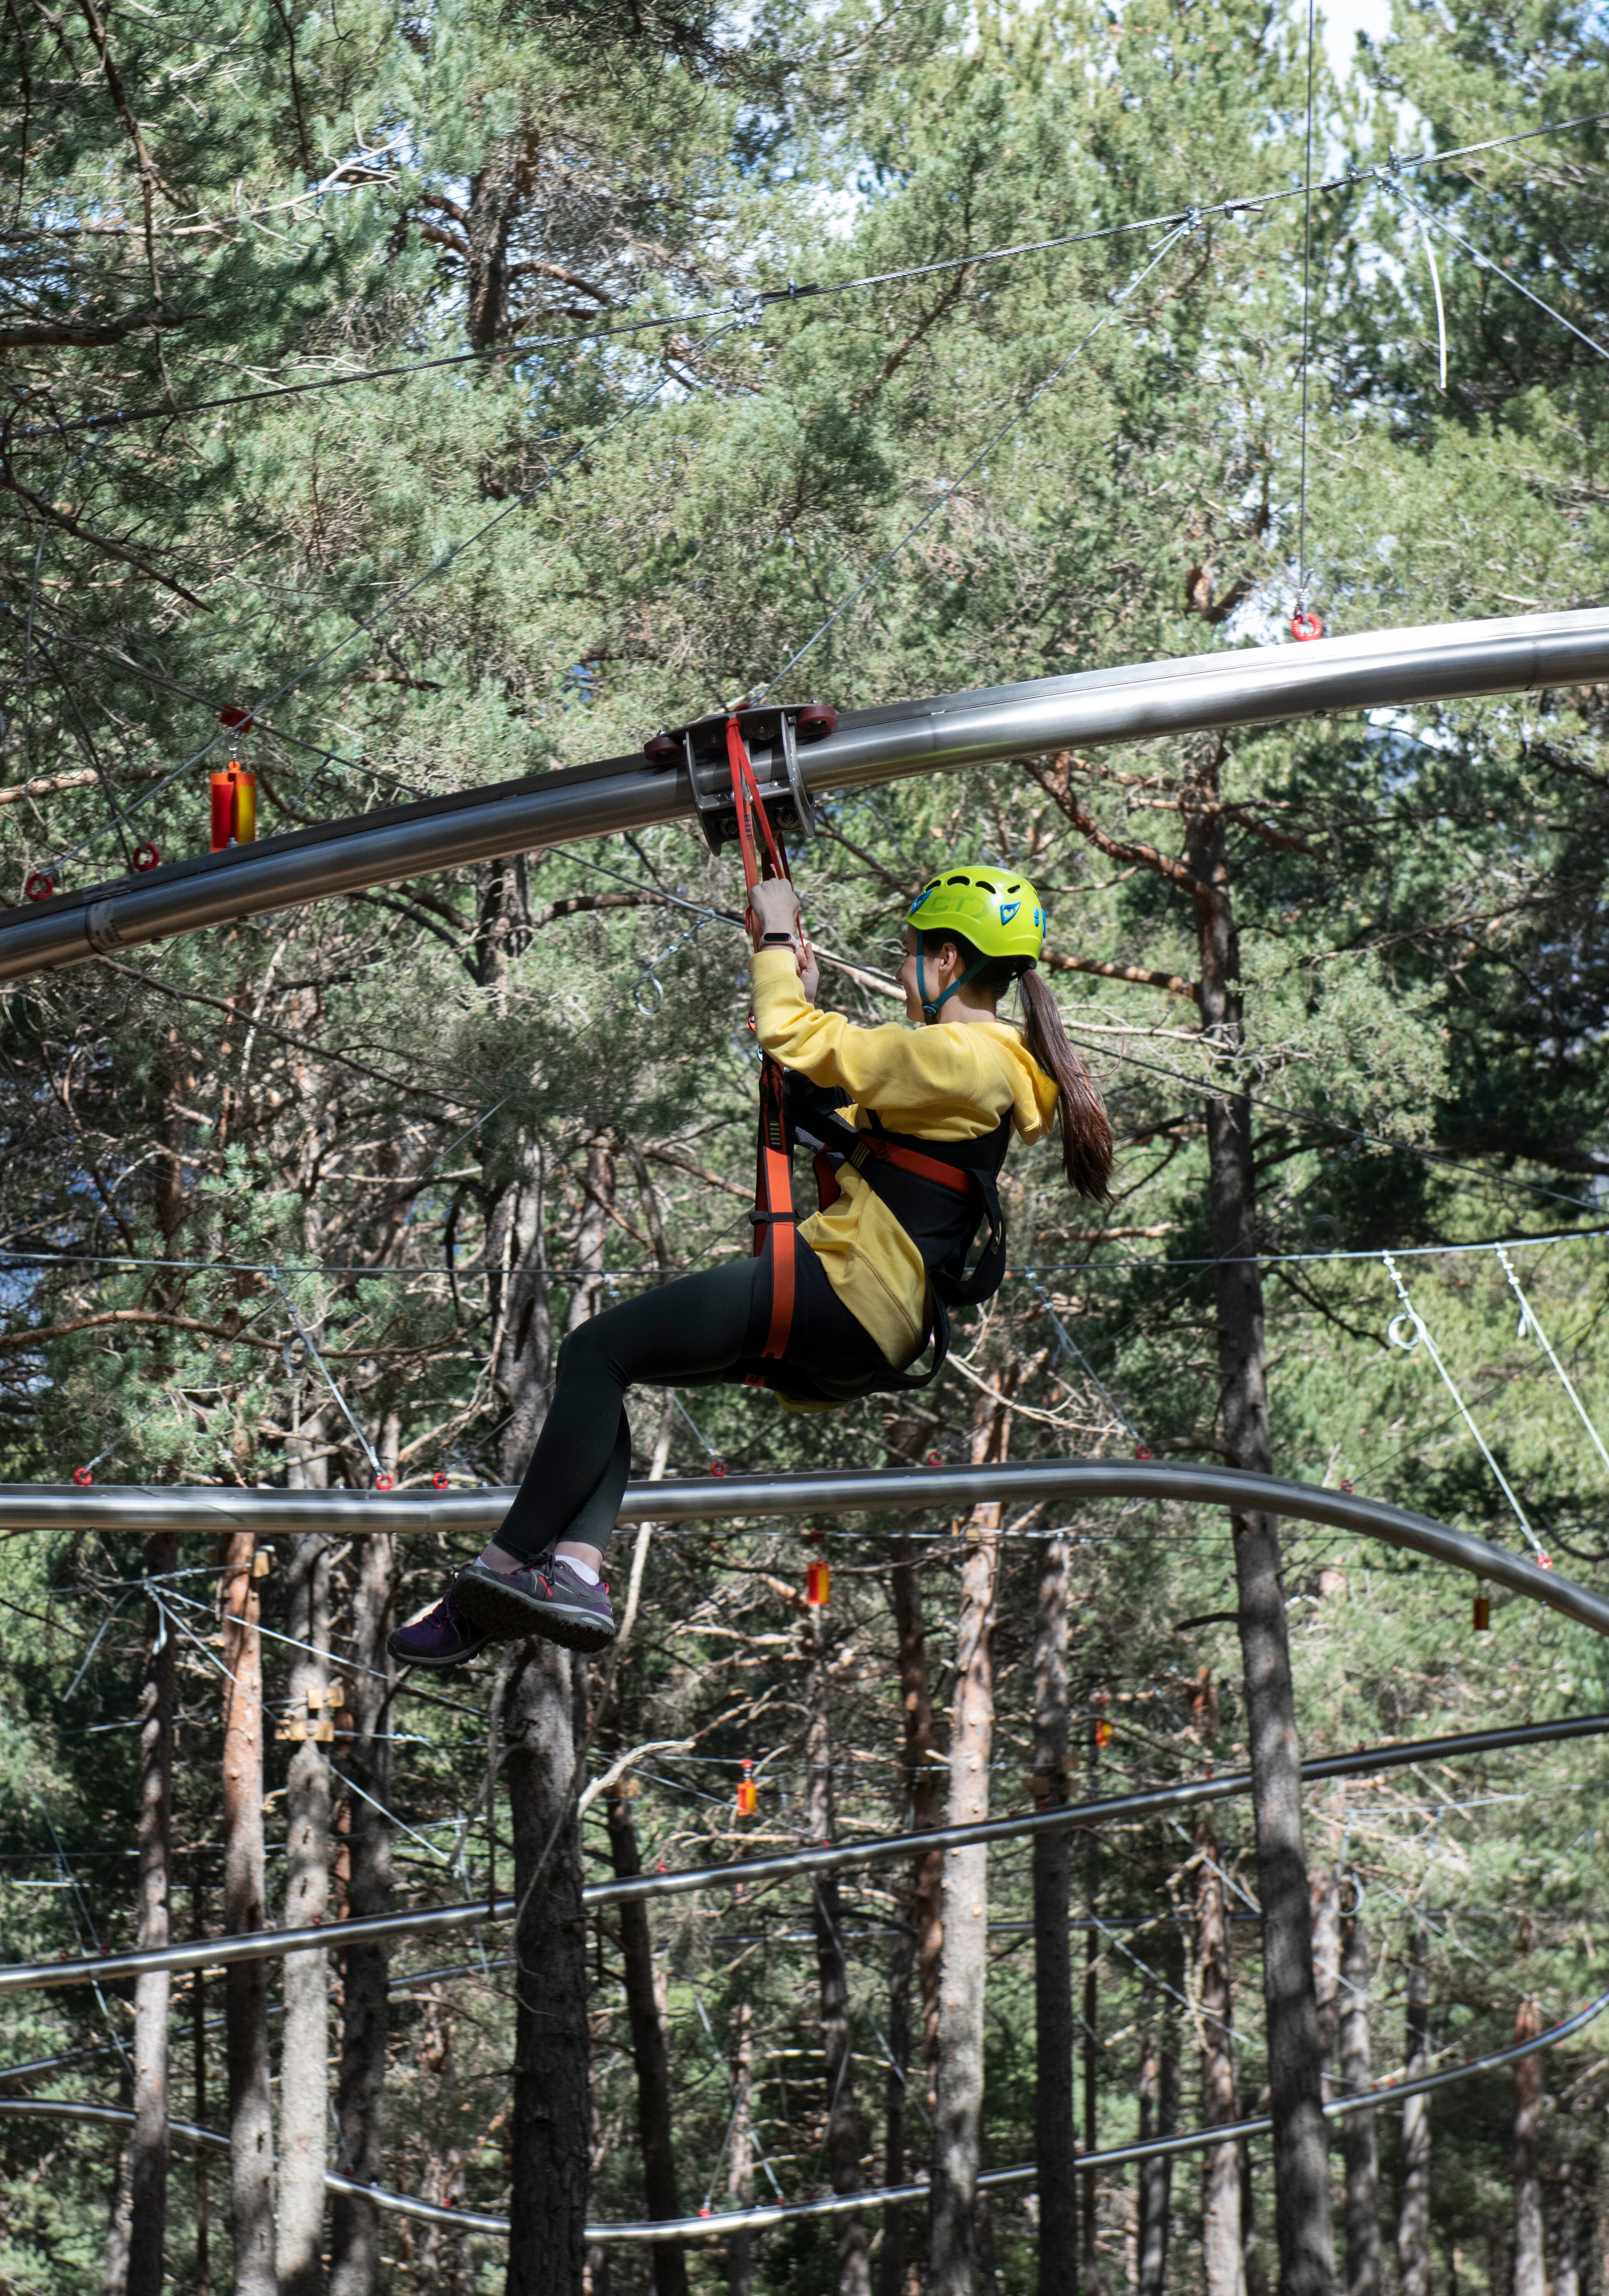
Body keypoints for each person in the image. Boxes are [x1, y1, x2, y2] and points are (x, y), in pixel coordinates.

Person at [390, 862, 1114, 1668]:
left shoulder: (964, 1055)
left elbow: (797, 1037)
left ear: (946, 960)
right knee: (610, 1372)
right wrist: (803, 1016)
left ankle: (487, 1583)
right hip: (866, 1331)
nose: (907, 972)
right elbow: (843, 1084)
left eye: (911, 951)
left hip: (844, 1291)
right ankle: (573, 1568)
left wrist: (774, 935)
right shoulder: (975, 1066)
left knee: (595, 1353)